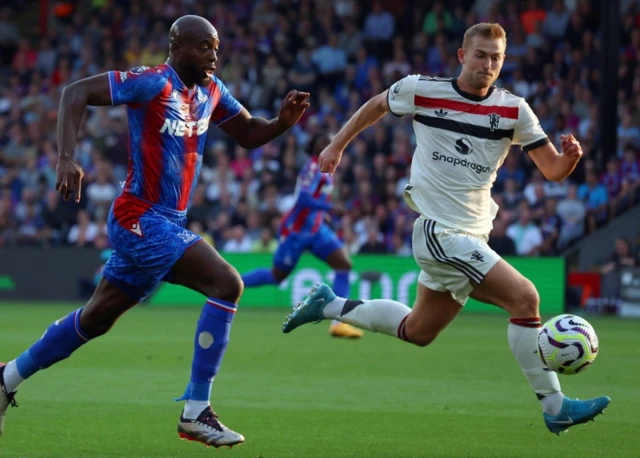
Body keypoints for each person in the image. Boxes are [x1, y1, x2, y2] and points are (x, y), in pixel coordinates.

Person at [282, 23, 610, 434]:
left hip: (472, 236)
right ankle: (554, 405)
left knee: (419, 331)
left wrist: (571, 159)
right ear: (461, 55)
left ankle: (328, 305)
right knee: (526, 298)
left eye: (496, 57)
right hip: (439, 232)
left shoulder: (514, 110)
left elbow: (552, 170)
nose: (488, 64)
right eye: (480, 54)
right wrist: (336, 144)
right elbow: (378, 104)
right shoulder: (421, 89)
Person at [0, 15, 310, 448]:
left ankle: (6, 378)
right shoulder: (151, 83)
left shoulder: (212, 92)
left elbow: (248, 134)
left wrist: (281, 124)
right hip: (138, 216)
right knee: (227, 283)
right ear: (178, 46)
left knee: (96, 318)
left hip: (167, 222)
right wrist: (66, 157)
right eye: (204, 47)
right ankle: (195, 411)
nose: (213, 55)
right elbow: (76, 92)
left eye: (216, 47)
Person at [241, 133, 363, 338]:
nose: (333, 144)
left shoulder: (326, 168)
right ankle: (232, 283)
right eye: (327, 141)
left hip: (316, 231)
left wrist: (324, 215)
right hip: (296, 233)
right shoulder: (313, 167)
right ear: (316, 147)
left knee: (343, 265)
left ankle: (338, 323)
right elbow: (304, 199)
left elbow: (314, 202)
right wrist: (330, 208)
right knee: (276, 276)